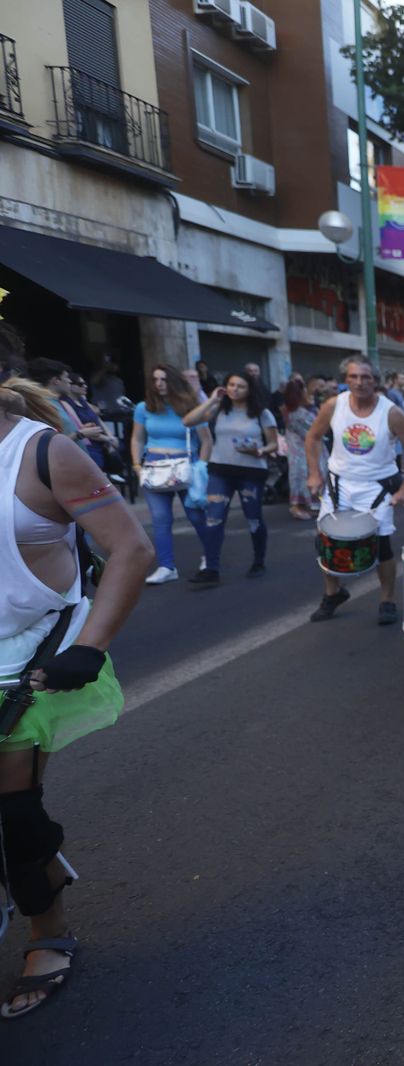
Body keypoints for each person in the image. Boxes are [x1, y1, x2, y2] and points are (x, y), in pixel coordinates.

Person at [0, 373, 154, 1018]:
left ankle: (45, 927)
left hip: (27, 659)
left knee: (12, 814)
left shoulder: (44, 453)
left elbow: (130, 548)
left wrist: (88, 647)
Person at [304, 356, 404, 624]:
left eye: (366, 377)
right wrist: (313, 473)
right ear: (346, 380)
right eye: (354, 377)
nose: (359, 382)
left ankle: (387, 600)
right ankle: (333, 593)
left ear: (375, 382)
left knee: (381, 546)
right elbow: (312, 437)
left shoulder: (391, 413)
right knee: (325, 540)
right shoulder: (334, 406)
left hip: (377, 487)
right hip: (339, 484)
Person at [182, 373, 279, 583]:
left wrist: (259, 451)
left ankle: (258, 561)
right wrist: (212, 400)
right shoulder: (219, 409)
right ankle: (211, 568)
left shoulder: (262, 414)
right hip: (220, 470)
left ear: (249, 390)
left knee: (253, 517)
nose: (235, 389)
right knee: (213, 519)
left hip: (251, 471)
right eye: (231, 385)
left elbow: (274, 444)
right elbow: (188, 421)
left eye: (241, 386)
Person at [130, 365, 213, 585]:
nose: (159, 384)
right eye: (155, 379)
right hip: (154, 467)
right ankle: (166, 566)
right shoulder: (143, 407)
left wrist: (202, 466)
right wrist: (137, 465)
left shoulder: (189, 406)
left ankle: (211, 557)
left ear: (174, 381)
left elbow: (206, 439)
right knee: (160, 519)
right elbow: (137, 438)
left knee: (196, 514)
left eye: (164, 379)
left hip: (185, 466)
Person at [281, 378, 319, 521]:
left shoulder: (287, 410)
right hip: (307, 449)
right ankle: (301, 506)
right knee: (307, 476)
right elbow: (315, 431)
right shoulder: (301, 413)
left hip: (295, 450)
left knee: (298, 477)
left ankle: (302, 505)